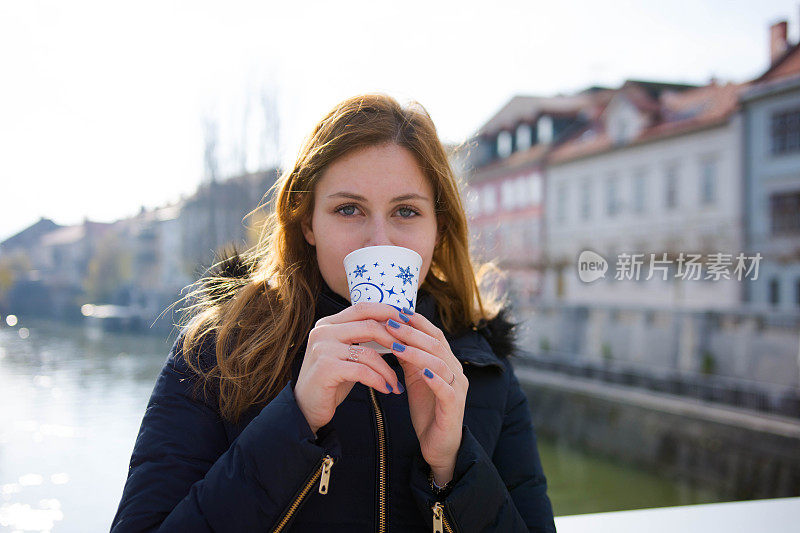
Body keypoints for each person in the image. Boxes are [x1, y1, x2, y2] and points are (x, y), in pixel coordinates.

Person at [110, 93, 556, 532]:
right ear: (308, 224)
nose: (379, 240)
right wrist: (295, 421)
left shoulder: (483, 368)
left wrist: (453, 467)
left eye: (406, 210)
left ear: (437, 231)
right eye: (348, 209)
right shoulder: (218, 352)